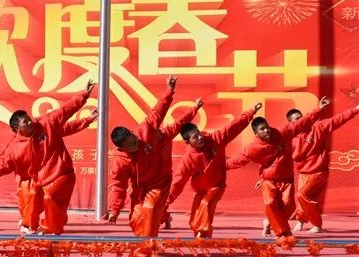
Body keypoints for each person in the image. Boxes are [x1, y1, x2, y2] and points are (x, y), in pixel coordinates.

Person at [0, 80, 95, 235]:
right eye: (26, 122)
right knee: (31, 196)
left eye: (29, 118)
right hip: (36, 179)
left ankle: (51, 226)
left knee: (50, 198)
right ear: (17, 129)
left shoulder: (46, 123)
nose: (30, 122)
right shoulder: (14, 148)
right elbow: (1, 165)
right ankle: (29, 226)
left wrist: (84, 95)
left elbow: (66, 110)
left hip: (60, 173)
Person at [107, 76, 202, 238]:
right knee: (136, 217)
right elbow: (118, 186)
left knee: (150, 211)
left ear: (133, 133)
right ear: (122, 148)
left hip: (160, 181)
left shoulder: (147, 132)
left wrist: (170, 91)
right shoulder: (120, 162)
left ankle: (147, 246)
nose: (135, 145)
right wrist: (114, 210)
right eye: (130, 146)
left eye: (134, 140)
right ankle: (163, 217)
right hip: (140, 187)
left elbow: (160, 112)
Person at [226, 97, 331, 238]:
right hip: (269, 181)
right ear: (256, 134)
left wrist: (319, 109)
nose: (266, 130)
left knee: (288, 208)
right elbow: (237, 160)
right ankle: (283, 235)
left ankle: (268, 222)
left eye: (267, 127)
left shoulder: (282, 133)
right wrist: (219, 166)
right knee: (270, 204)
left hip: (286, 179)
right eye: (262, 129)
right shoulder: (253, 149)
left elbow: (302, 122)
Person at [169, 102, 263, 238]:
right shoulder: (187, 159)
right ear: (187, 142)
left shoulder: (215, 139)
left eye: (199, 133)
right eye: (195, 137)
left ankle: (203, 232)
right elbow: (178, 181)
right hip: (200, 190)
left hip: (217, 185)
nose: (200, 137)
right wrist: (168, 201)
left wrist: (250, 112)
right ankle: (203, 233)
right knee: (195, 220)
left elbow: (233, 127)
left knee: (206, 204)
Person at [287, 98, 359, 233]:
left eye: (301, 117)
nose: (301, 120)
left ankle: (317, 224)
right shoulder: (290, 137)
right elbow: (293, 156)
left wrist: (356, 109)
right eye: (296, 119)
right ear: (291, 123)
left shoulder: (318, 127)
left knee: (302, 195)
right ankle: (301, 220)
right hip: (303, 172)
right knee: (302, 199)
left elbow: (337, 120)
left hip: (318, 171)